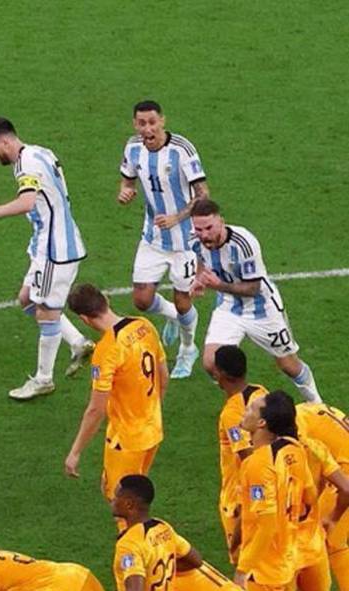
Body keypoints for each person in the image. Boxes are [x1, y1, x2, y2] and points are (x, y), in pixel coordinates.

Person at [0, 117, 92, 400]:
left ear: (5, 141)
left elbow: (27, 202)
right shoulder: (39, 151)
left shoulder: (27, 164)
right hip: (47, 245)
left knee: (46, 311)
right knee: (26, 299)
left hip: (55, 252)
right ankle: (77, 342)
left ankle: (44, 379)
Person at [236, 391, 347, 591]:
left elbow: (266, 521)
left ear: (263, 422)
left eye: (251, 408)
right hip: (313, 546)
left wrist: (242, 568)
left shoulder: (258, 463)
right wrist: (328, 519)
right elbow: (314, 493)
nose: (245, 411)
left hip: (279, 553)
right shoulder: (303, 449)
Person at [189, 199, 321, 402]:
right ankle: (240, 406)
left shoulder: (244, 243)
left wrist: (218, 285)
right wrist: (199, 278)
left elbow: (253, 288)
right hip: (229, 307)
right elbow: (200, 257)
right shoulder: (194, 239)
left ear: (221, 222)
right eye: (199, 229)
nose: (204, 234)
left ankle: (317, 404)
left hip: (262, 310)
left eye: (209, 228)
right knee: (212, 363)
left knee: (289, 365)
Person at [118, 100, 209, 378]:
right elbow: (128, 180)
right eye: (141, 123)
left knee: (184, 300)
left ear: (162, 121)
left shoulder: (182, 150)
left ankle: (187, 349)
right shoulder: (133, 147)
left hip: (186, 241)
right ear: (135, 124)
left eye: (152, 122)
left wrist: (176, 218)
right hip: (153, 237)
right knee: (141, 299)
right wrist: (125, 191)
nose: (147, 129)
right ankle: (173, 316)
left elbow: (203, 194)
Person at [64, 284, 167, 508]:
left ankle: (136, 533)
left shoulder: (107, 350)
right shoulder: (144, 325)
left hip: (126, 440)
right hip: (153, 429)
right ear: (106, 300)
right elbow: (163, 375)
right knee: (135, 493)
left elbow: (96, 410)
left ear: (84, 319)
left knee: (122, 503)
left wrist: (75, 452)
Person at [211, 345, 267, 562]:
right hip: (272, 484)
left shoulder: (232, 413)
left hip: (239, 497)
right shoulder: (261, 392)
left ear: (221, 373)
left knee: (245, 562)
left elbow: (248, 456)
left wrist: (248, 500)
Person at [296, 401, 349, 591]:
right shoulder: (305, 411)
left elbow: (313, 471)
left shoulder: (297, 430)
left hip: (345, 474)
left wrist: (326, 514)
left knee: (318, 539)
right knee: (335, 541)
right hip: (342, 465)